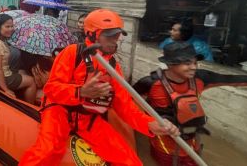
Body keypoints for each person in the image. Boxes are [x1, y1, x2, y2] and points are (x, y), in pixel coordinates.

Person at [19, 9, 180, 166]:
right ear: (91, 34)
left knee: (128, 159)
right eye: (109, 35)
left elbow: (124, 106)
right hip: (58, 110)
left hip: (88, 116)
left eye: (117, 35)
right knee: (47, 150)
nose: (115, 40)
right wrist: (80, 91)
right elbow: (52, 89)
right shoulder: (72, 53)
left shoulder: (113, 67)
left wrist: (149, 124)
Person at [133, 42, 247, 166]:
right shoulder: (149, 83)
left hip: (192, 139)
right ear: (170, 64)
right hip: (164, 143)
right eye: (187, 63)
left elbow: (234, 80)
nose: (193, 67)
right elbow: (128, 103)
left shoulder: (201, 78)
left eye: (195, 63)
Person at [0, 14, 37, 104]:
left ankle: (23, 93)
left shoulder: (1, 39)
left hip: (4, 72)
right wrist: (6, 90)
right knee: (31, 81)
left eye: (12, 26)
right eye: (7, 26)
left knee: (23, 71)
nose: (11, 29)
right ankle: (30, 106)